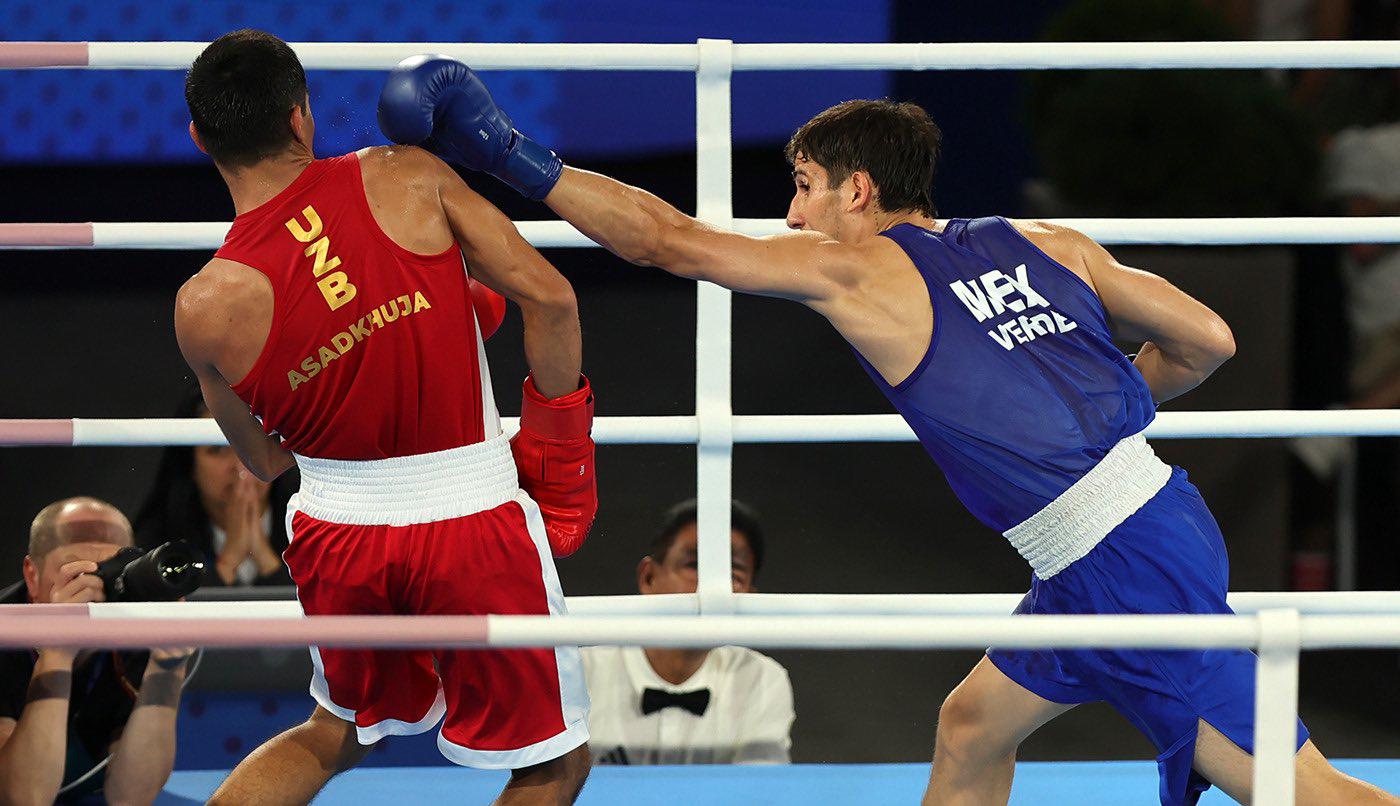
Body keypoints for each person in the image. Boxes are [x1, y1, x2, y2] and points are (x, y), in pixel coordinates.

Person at [378, 60, 1400, 805]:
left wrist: (501, 152)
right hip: (1120, 535)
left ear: (855, 191)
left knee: (1293, 786)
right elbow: (1207, 339)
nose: (789, 210)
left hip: (1122, 565)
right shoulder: (1044, 240)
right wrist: (1100, 417)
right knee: (968, 726)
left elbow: (666, 240)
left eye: (801, 185)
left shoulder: (856, 266)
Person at [177, 31, 596, 805]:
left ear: (200, 138)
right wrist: (561, 446)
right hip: (471, 516)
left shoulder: (202, 307)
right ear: (303, 118)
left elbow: (266, 463)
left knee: (333, 732)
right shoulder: (406, 177)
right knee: (553, 763)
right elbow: (552, 298)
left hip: (337, 533)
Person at [0, 498, 191, 805]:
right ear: (32, 576)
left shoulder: (136, 627)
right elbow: (22, 797)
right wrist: (58, 653)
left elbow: (131, 797)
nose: (95, 593)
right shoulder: (4, 633)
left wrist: (167, 667)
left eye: (110, 571)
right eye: (77, 573)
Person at [582, 500, 794, 765]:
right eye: (695, 565)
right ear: (649, 577)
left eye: (734, 574)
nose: (711, 589)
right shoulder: (581, 673)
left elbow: (757, 797)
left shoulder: (762, 679)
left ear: (748, 598)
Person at [134, 384, 294, 587]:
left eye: (252, 444)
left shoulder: (315, 522)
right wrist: (226, 564)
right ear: (189, 462)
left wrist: (265, 559)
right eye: (218, 449)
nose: (240, 466)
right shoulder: (157, 540)